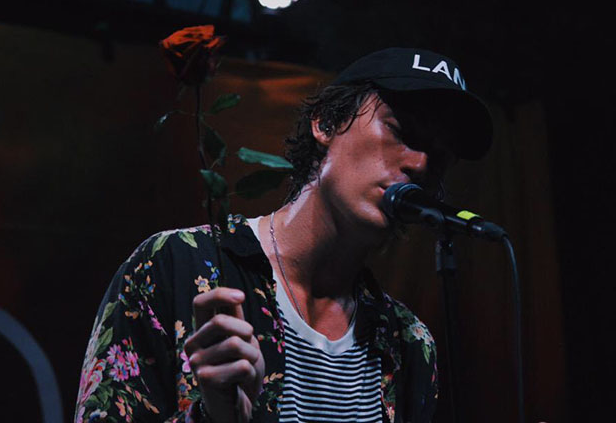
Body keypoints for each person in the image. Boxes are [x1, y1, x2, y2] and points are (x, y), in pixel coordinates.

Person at [74, 48, 492, 423]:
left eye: (438, 156)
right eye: (401, 131)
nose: (419, 163)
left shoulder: (410, 343)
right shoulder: (174, 264)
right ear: (327, 123)